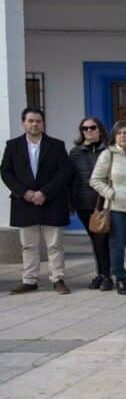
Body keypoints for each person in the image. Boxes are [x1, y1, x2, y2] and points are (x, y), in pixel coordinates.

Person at [1, 108, 73, 295]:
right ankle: (30, 280)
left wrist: (44, 193)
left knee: (54, 244)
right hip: (24, 201)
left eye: (38, 121)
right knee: (29, 245)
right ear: (23, 122)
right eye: (31, 121)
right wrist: (24, 192)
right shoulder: (13, 145)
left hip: (51, 201)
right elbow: (6, 172)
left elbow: (64, 172)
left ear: (43, 123)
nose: (34, 124)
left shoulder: (56, 145)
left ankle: (57, 279)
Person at [89, 120, 126, 294]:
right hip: (116, 207)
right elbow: (95, 180)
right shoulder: (109, 154)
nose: (123, 136)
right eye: (119, 133)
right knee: (117, 245)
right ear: (114, 137)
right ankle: (120, 279)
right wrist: (111, 193)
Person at [70, 116, 111, 291]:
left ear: (100, 129)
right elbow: (71, 179)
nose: (88, 131)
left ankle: (107, 275)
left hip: (105, 201)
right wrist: (70, 202)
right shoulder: (75, 152)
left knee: (104, 240)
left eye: (92, 128)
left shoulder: (109, 150)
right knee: (95, 240)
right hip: (84, 203)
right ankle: (101, 273)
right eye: (84, 129)